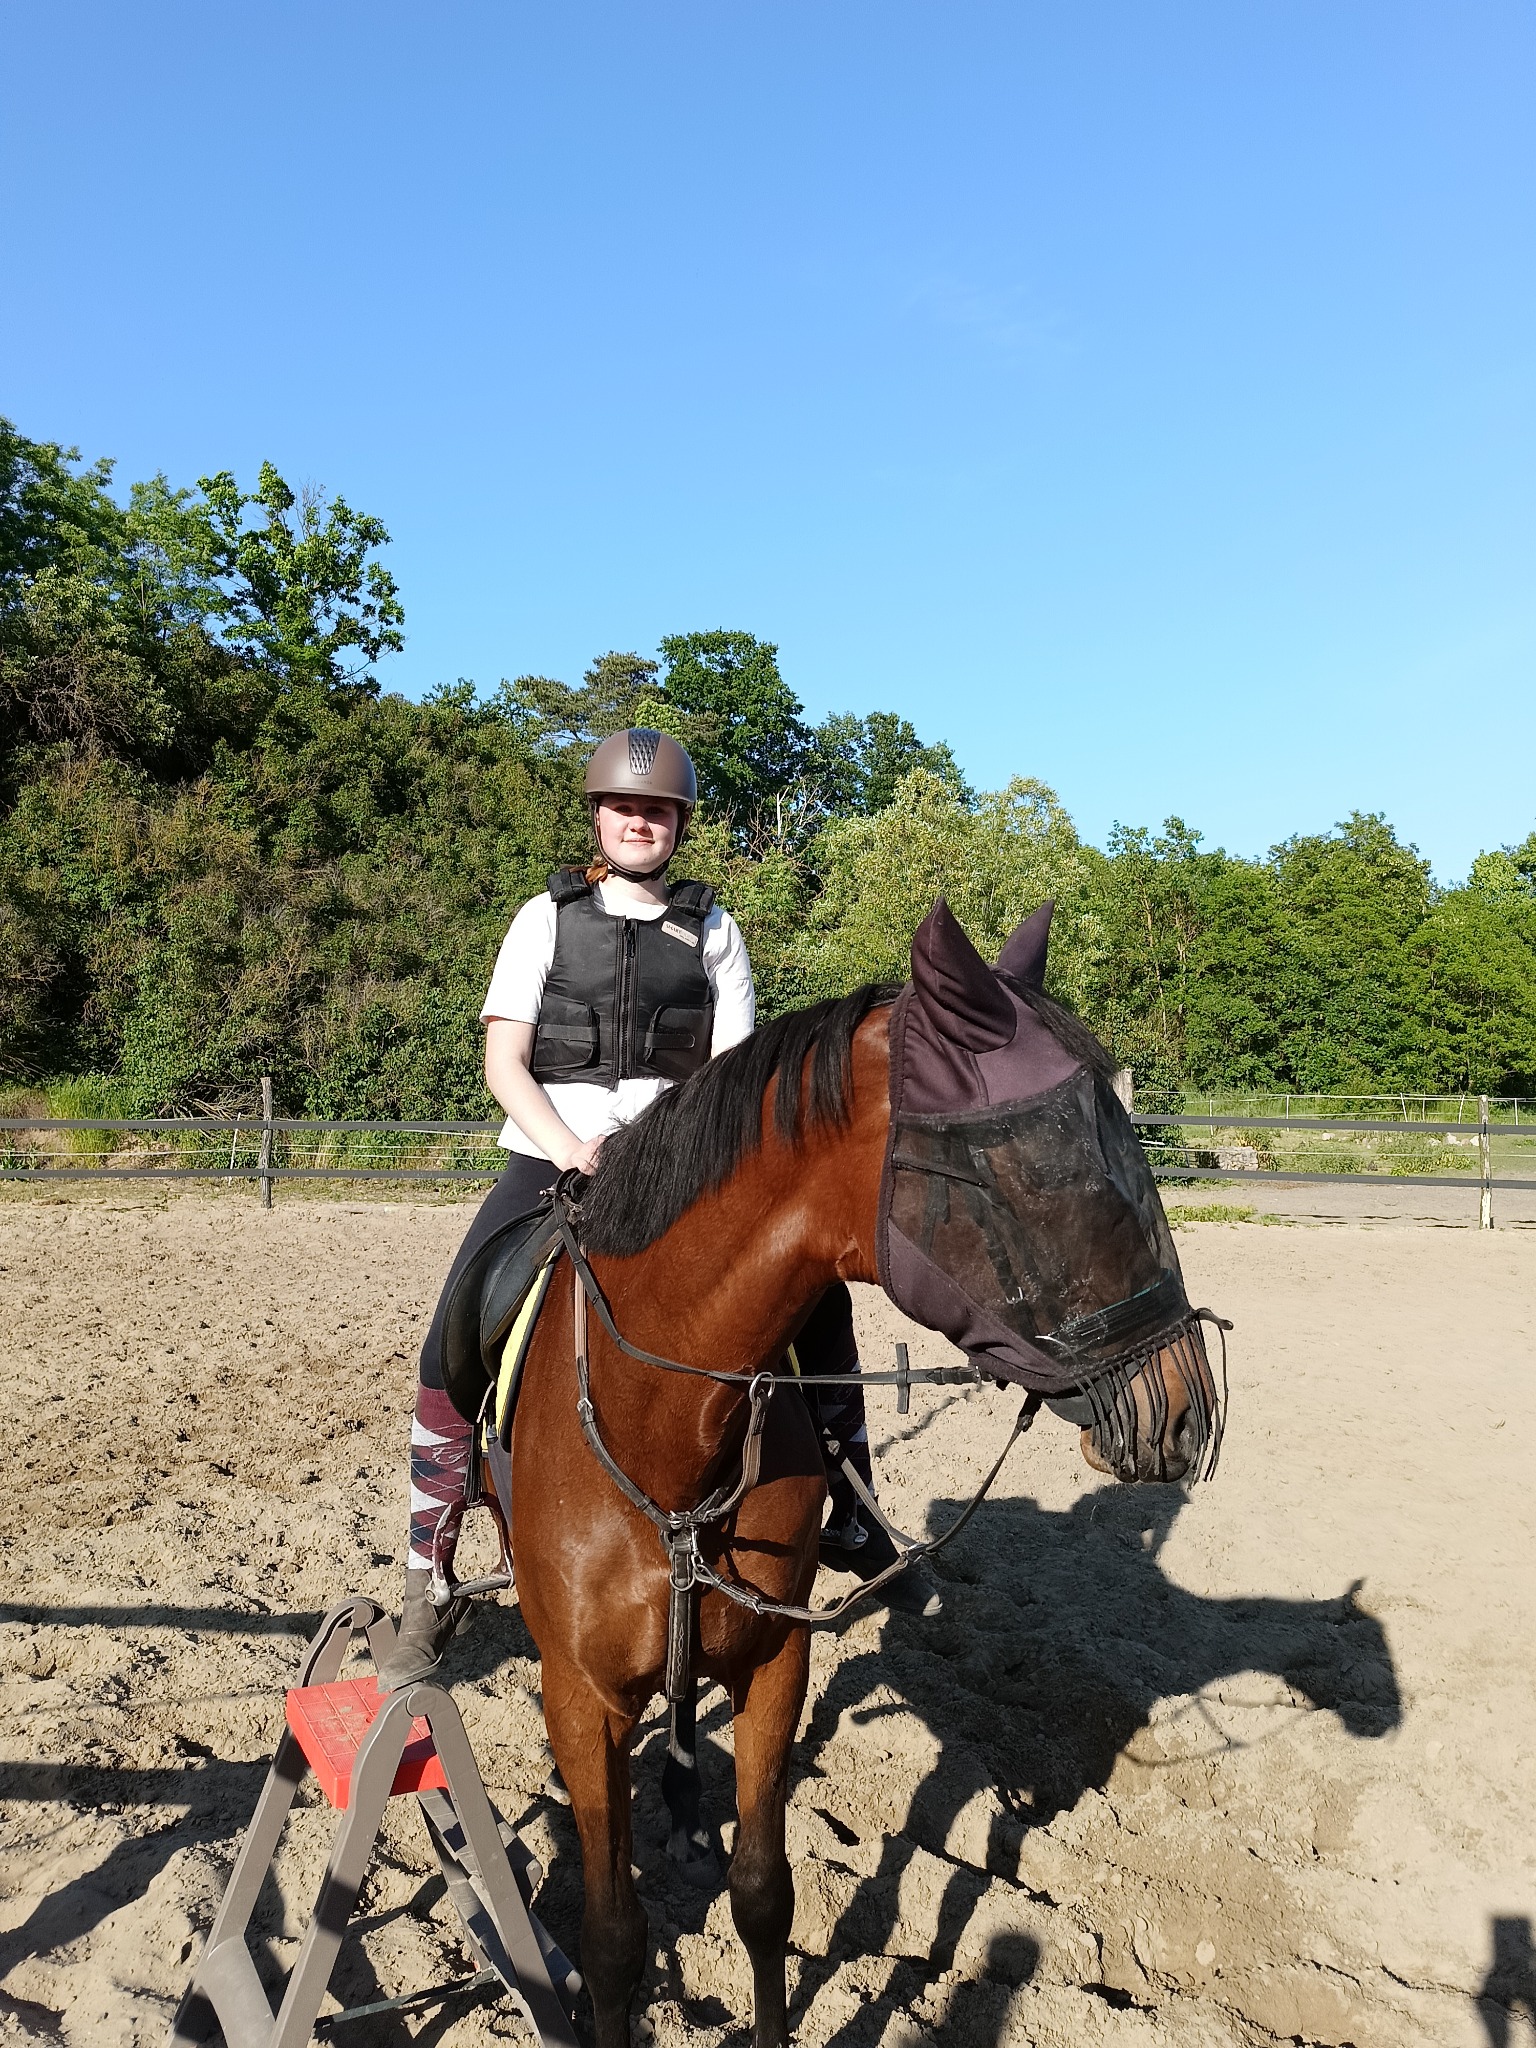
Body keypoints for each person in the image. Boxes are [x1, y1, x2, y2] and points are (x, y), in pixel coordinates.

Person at [382, 729, 936, 1689]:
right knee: (453, 1334)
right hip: (552, 1156)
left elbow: (732, 1079)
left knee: (822, 1309)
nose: (640, 822)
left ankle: (851, 1506)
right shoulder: (543, 920)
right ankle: (428, 1567)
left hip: (678, 1171)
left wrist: (663, 1156)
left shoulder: (715, 931)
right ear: (599, 816)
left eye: (658, 811)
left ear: (678, 824)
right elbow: (504, 1061)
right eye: (624, 808)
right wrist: (571, 1148)